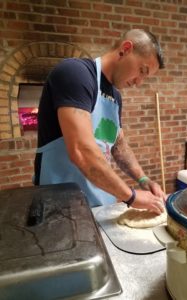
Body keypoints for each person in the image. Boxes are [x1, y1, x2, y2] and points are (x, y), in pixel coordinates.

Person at [34, 28, 166, 214]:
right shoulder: (75, 74)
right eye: (142, 71)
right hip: (60, 208)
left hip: (100, 204)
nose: (139, 82)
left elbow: (119, 146)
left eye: (146, 77)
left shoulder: (115, 97)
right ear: (125, 49)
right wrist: (132, 196)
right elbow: (81, 150)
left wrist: (143, 180)